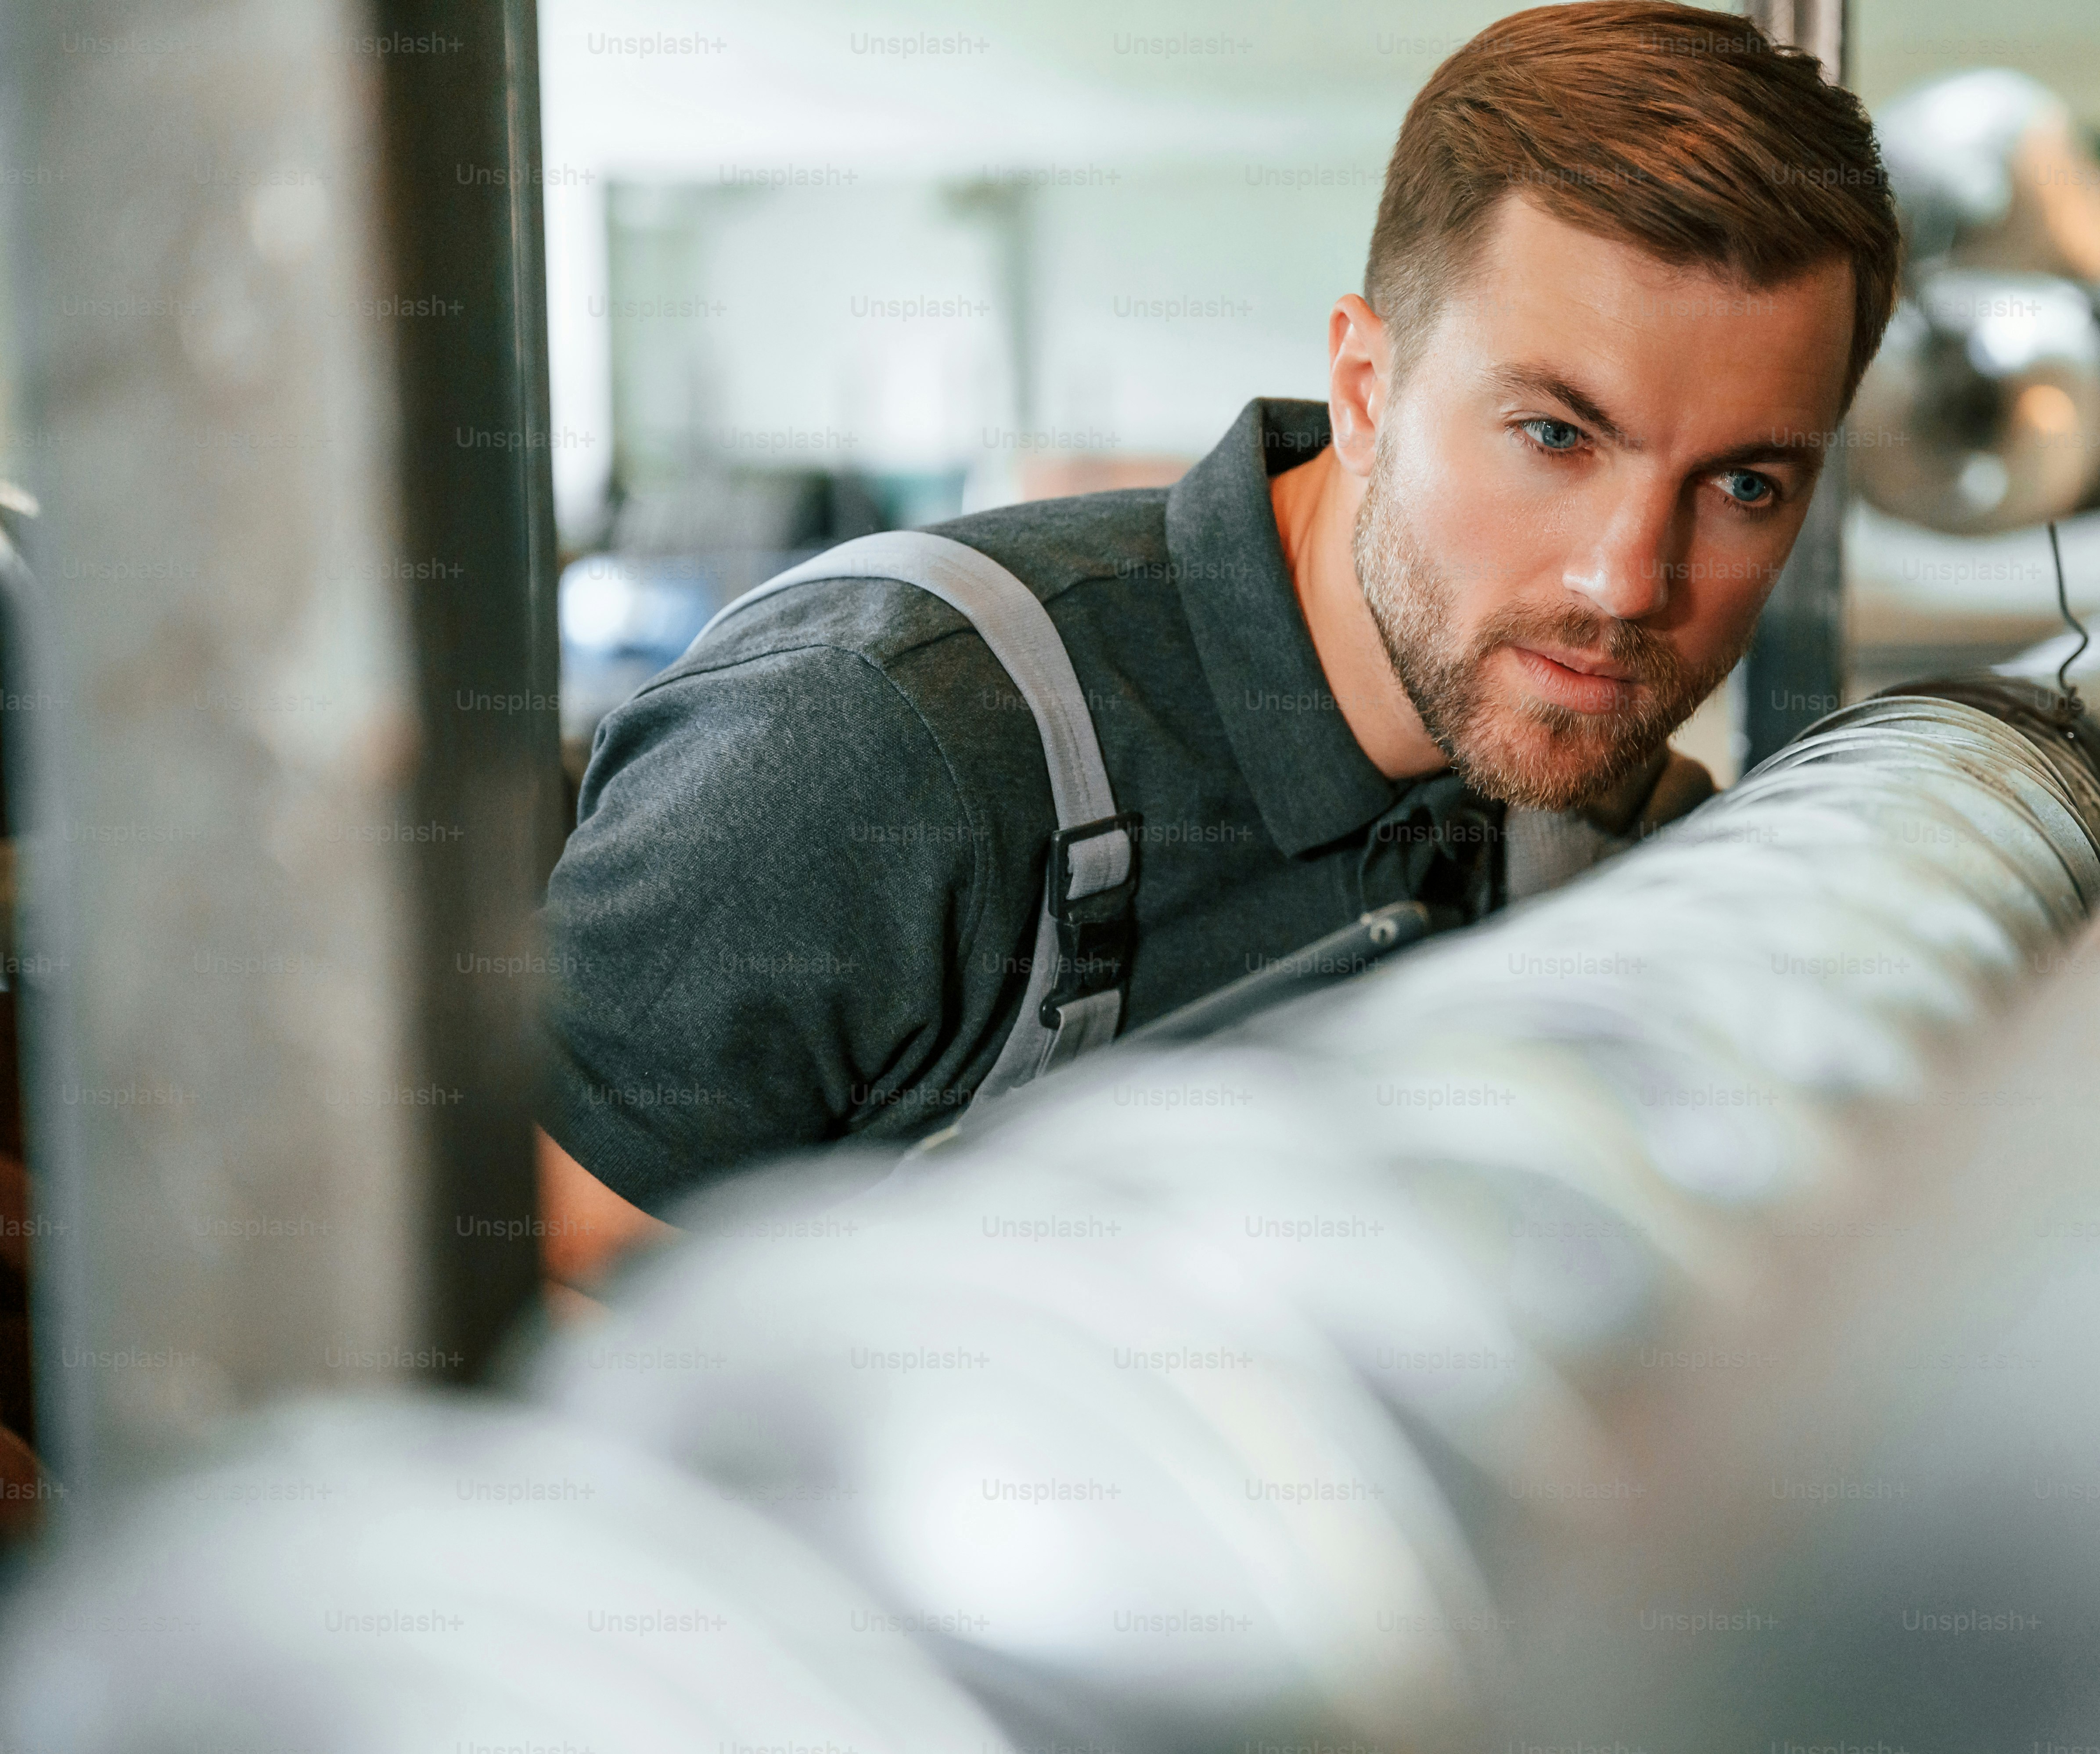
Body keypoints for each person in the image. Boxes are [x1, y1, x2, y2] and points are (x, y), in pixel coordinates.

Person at [535, 0, 1901, 1292]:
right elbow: (527, 1336)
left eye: (1744, 488)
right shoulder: (875, 735)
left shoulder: (1588, 803)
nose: (1628, 581)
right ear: (1367, 391)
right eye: (1555, 436)